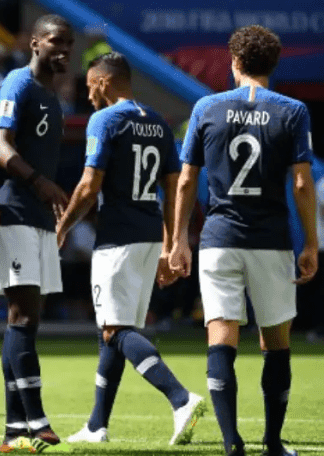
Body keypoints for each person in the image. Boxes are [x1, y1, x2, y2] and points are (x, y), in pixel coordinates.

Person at [169, 25, 318, 456]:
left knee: (221, 335)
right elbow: (302, 183)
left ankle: (232, 442)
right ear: (274, 64)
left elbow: (186, 181)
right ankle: (272, 443)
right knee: (276, 343)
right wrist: (311, 243)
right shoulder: (293, 111)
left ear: (234, 62)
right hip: (270, 241)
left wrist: (178, 240)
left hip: (219, 239)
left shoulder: (206, 107)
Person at [54, 52, 206, 446]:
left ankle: (180, 398)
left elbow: (89, 186)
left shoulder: (104, 120)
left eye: (90, 86)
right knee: (115, 329)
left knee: (116, 329)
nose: (88, 95)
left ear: (104, 82)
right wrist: (170, 243)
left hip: (117, 238)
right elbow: (172, 185)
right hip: (149, 233)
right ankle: (96, 426)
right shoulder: (157, 121)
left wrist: (62, 226)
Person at [0, 14, 73, 454]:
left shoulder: (53, 96)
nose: (63, 50)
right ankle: (36, 419)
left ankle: (13, 429)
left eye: (68, 43)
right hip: (11, 208)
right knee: (22, 314)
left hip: (36, 215)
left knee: (26, 321)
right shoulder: (18, 84)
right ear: (35, 42)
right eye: (55, 41)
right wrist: (39, 182)